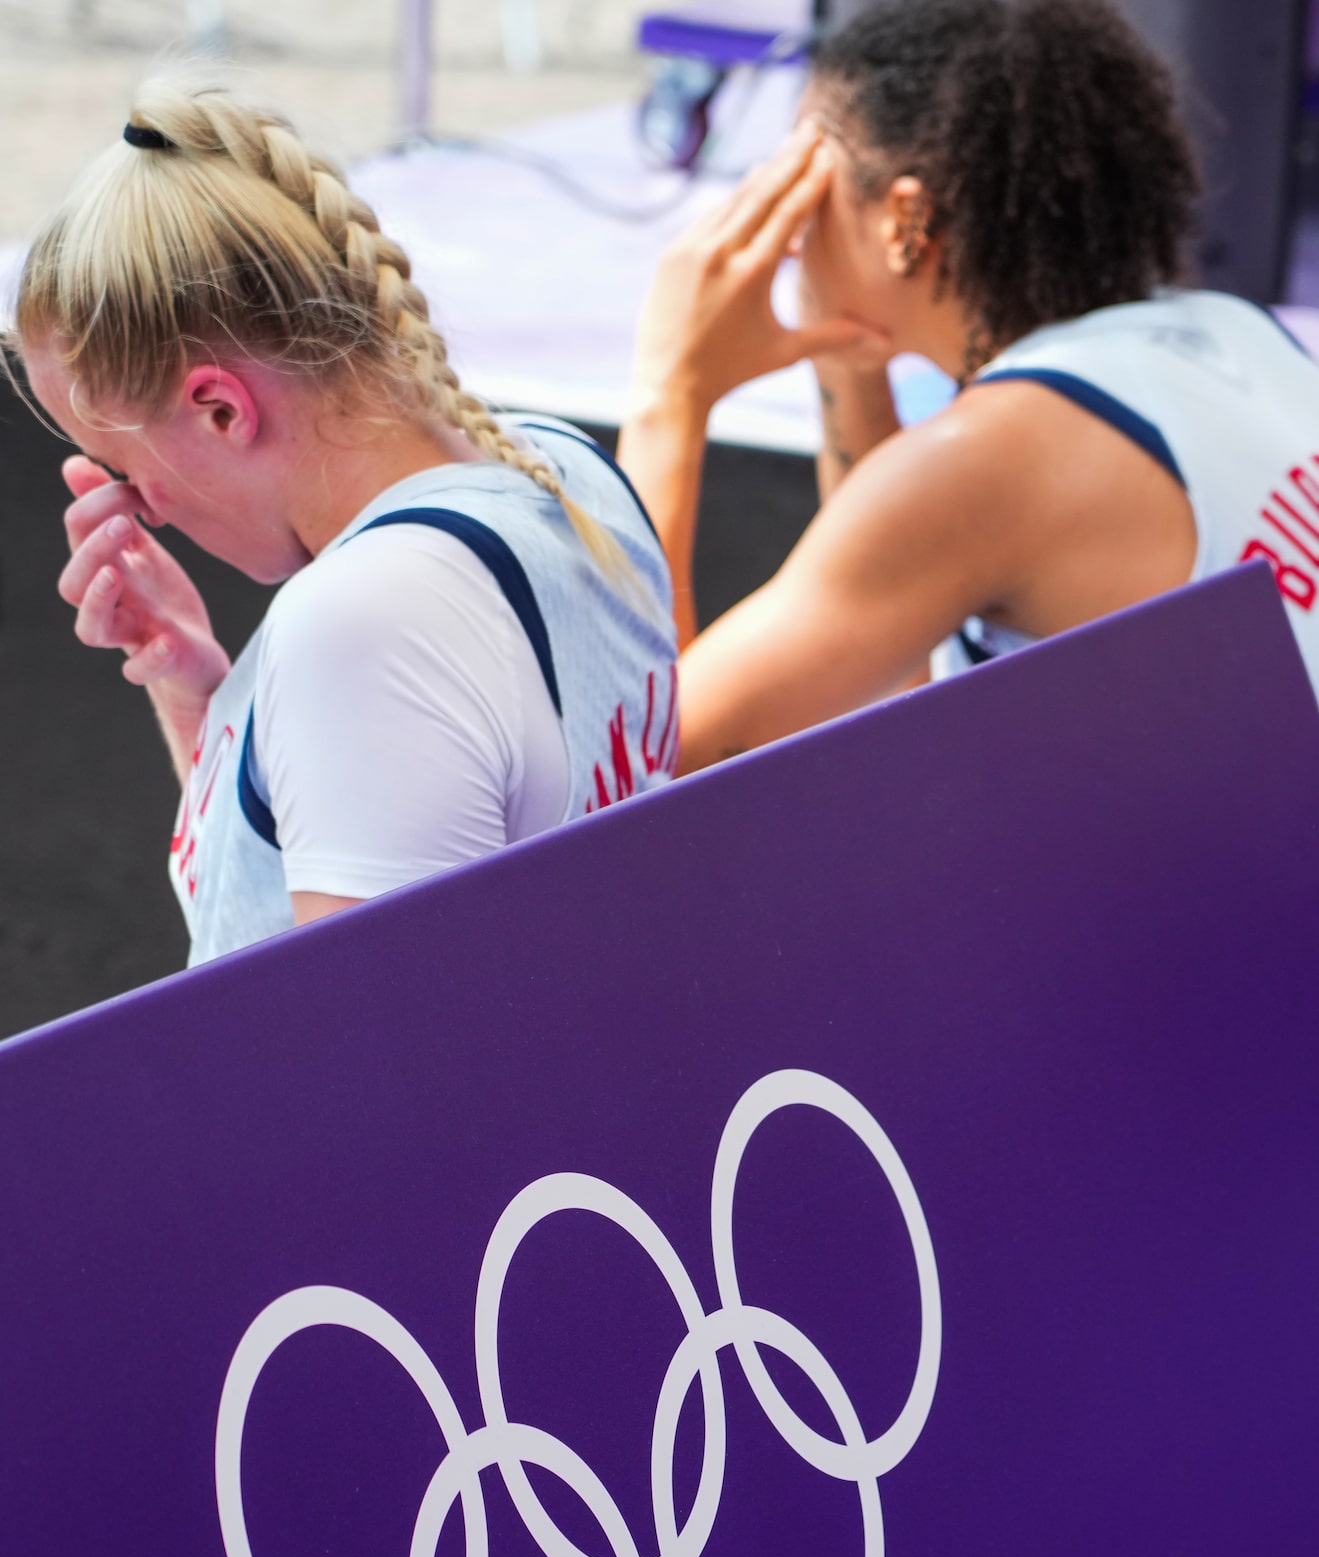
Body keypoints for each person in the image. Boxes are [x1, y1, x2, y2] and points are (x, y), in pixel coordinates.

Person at [12, 79, 677, 966]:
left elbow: (369, 1076)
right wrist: (201, 698)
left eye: (127, 468)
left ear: (218, 409)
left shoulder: (365, 627)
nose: (139, 510)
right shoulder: (565, 467)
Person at [617, 0, 1319, 772]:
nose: (789, 240)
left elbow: (638, 769)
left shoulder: (987, 462)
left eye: (803, 187)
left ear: (904, 218)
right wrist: (847, 363)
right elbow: (892, 688)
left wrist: (669, 397)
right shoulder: (1221, 329)